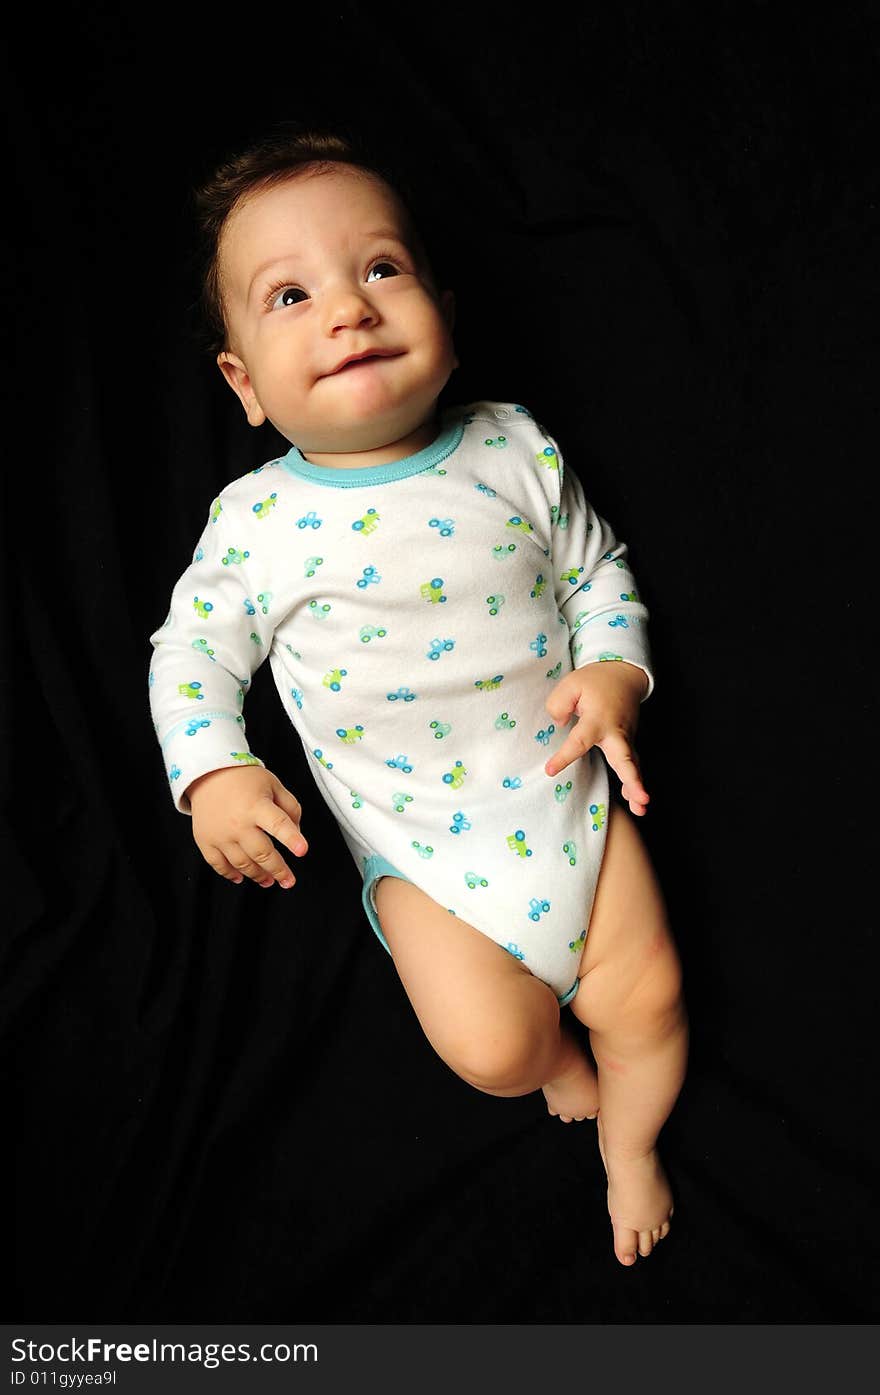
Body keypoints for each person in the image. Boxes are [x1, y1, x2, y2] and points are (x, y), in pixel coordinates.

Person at [148, 127, 688, 1268]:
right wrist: (213, 769)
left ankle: (631, 1148)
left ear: (443, 310)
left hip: (562, 798)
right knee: (493, 1051)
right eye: (289, 294)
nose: (347, 308)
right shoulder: (255, 525)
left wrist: (612, 673)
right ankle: (550, 1067)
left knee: (650, 1001)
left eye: (380, 269)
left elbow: (597, 573)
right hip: (423, 848)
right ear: (242, 382)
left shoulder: (514, 449)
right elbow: (189, 657)